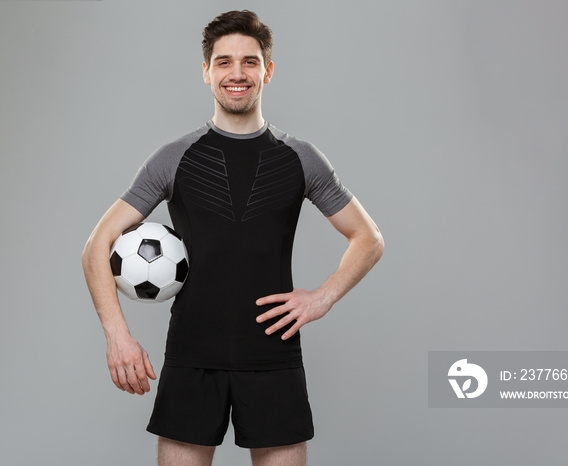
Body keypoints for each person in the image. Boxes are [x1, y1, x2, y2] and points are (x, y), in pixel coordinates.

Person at [82, 10, 383, 466]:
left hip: (273, 355)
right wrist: (116, 334)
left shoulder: (300, 158)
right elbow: (96, 245)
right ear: (206, 72)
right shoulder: (173, 158)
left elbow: (368, 238)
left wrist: (323, 297)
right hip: (191, 355)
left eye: (249, 61)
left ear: (268, 70)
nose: (237, 73)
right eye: (223, 62)